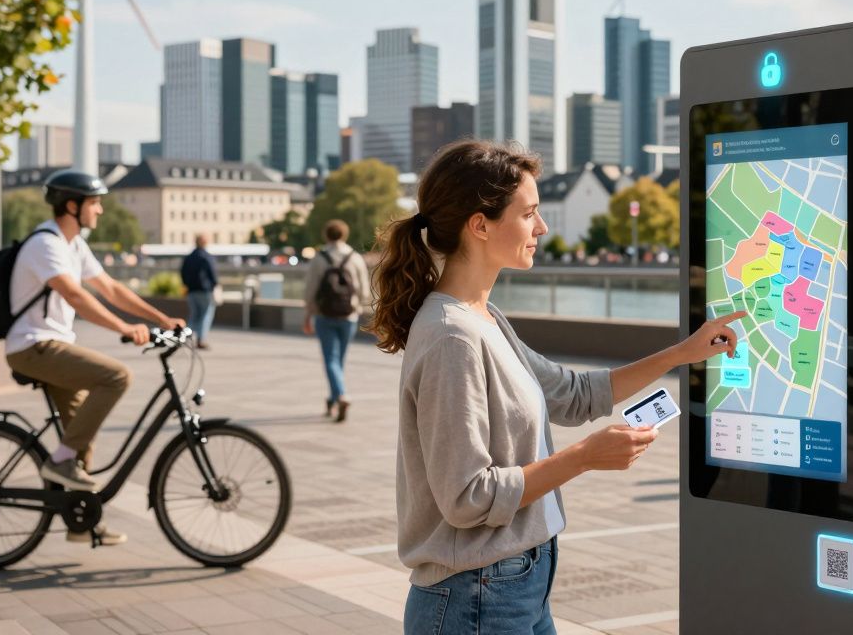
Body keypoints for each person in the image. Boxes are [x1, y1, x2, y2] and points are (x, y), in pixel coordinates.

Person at [371, 141, 743, 634]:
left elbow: (573, 395)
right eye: (528, 214)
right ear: (480, 225)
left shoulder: (484, 318)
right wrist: (584, 457)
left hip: (515, 584)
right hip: (476, 596)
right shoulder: (451, 337)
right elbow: (468, 497)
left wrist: (681, 354)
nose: (542, 227)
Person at [4, 170, 184, 545]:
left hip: (51, 345)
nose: (100, 210)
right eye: (94, 203)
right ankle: (59, 462)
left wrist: (160, 319)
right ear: (72, 206)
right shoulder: (46, 244)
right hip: (33, 346)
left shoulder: (73, 245)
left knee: (81, 435)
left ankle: (80, 521)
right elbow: (76, 296)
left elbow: (110, 288)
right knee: (116, 376)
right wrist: (124, 328)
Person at [302, 219, 372, 422]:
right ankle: (333, 399)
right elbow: (364, 291)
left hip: (324, 316)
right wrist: (355, 305)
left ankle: (340, 395)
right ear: (345, 235)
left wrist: (308, 314)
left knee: (331, 360)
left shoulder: (319, 258)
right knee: (338, 360)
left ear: (326, 235)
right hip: (348, 316)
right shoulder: (355, 257)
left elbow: (310, 290)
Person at [180, 234, 218, 350]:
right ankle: (201, 339)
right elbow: (212, 273)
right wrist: (214, 285)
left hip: (191, 290)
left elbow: (182, 272)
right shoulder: (206, 256)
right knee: (206, 314)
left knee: (194, 315)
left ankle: (185, 337)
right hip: (204, 290)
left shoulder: (189, 257)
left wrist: (187, 284)